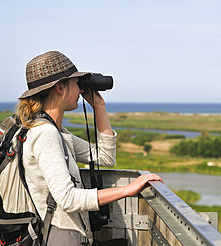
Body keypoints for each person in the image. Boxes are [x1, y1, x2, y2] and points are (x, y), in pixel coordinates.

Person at [16, 51, 163, 246]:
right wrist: (127, 190)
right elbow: (67, 199)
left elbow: (105, 156)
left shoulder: (57, 132)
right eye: (77, 83)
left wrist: (100, 107)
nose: (81, 90)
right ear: (60, 87)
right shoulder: (45, 134)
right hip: (62, 238)